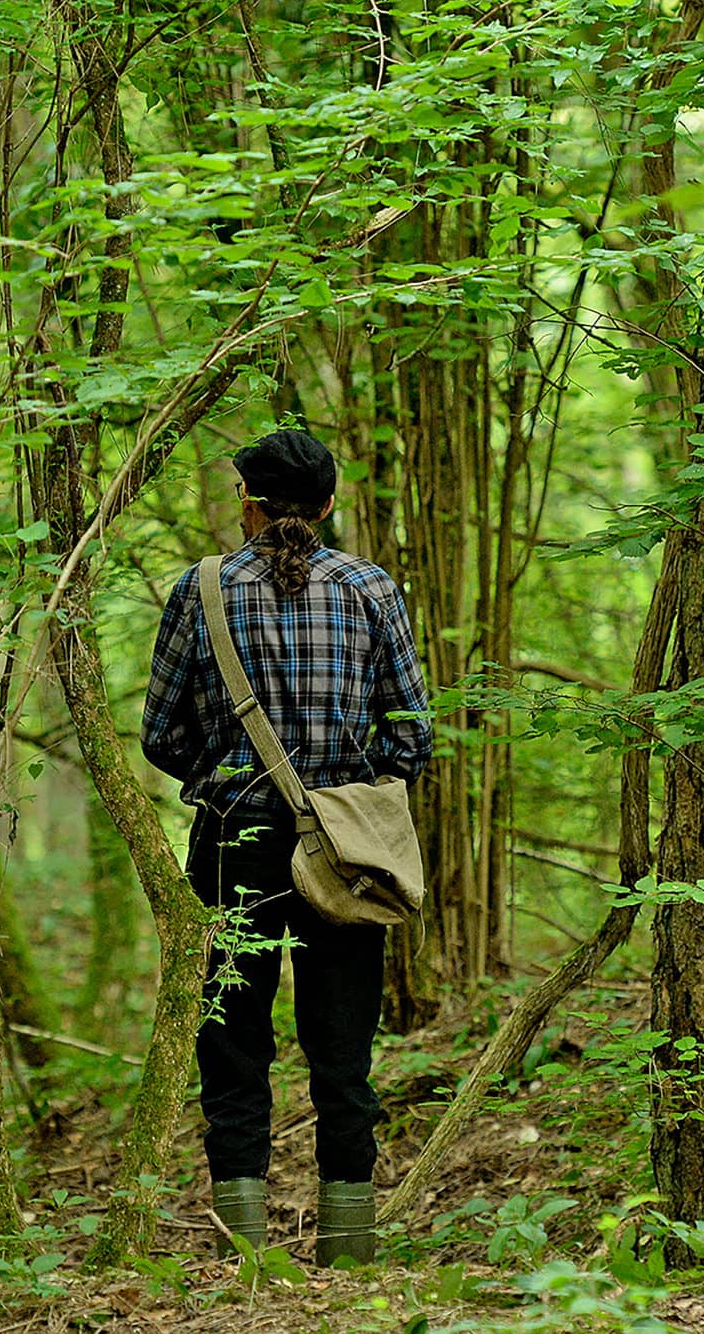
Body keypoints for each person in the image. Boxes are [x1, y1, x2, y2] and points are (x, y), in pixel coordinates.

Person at [140, 428, 433, 1266]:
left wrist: (227, 774)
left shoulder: (201, 590)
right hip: (348, 850)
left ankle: (248, 1257)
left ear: (248, 501)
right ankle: (350, 1252)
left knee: (232, 1049)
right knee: (344, 1054)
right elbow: (412, 735)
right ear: (330, 504)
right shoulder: (371, 588)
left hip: (236, 847)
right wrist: (351, 788)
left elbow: (160, 734)